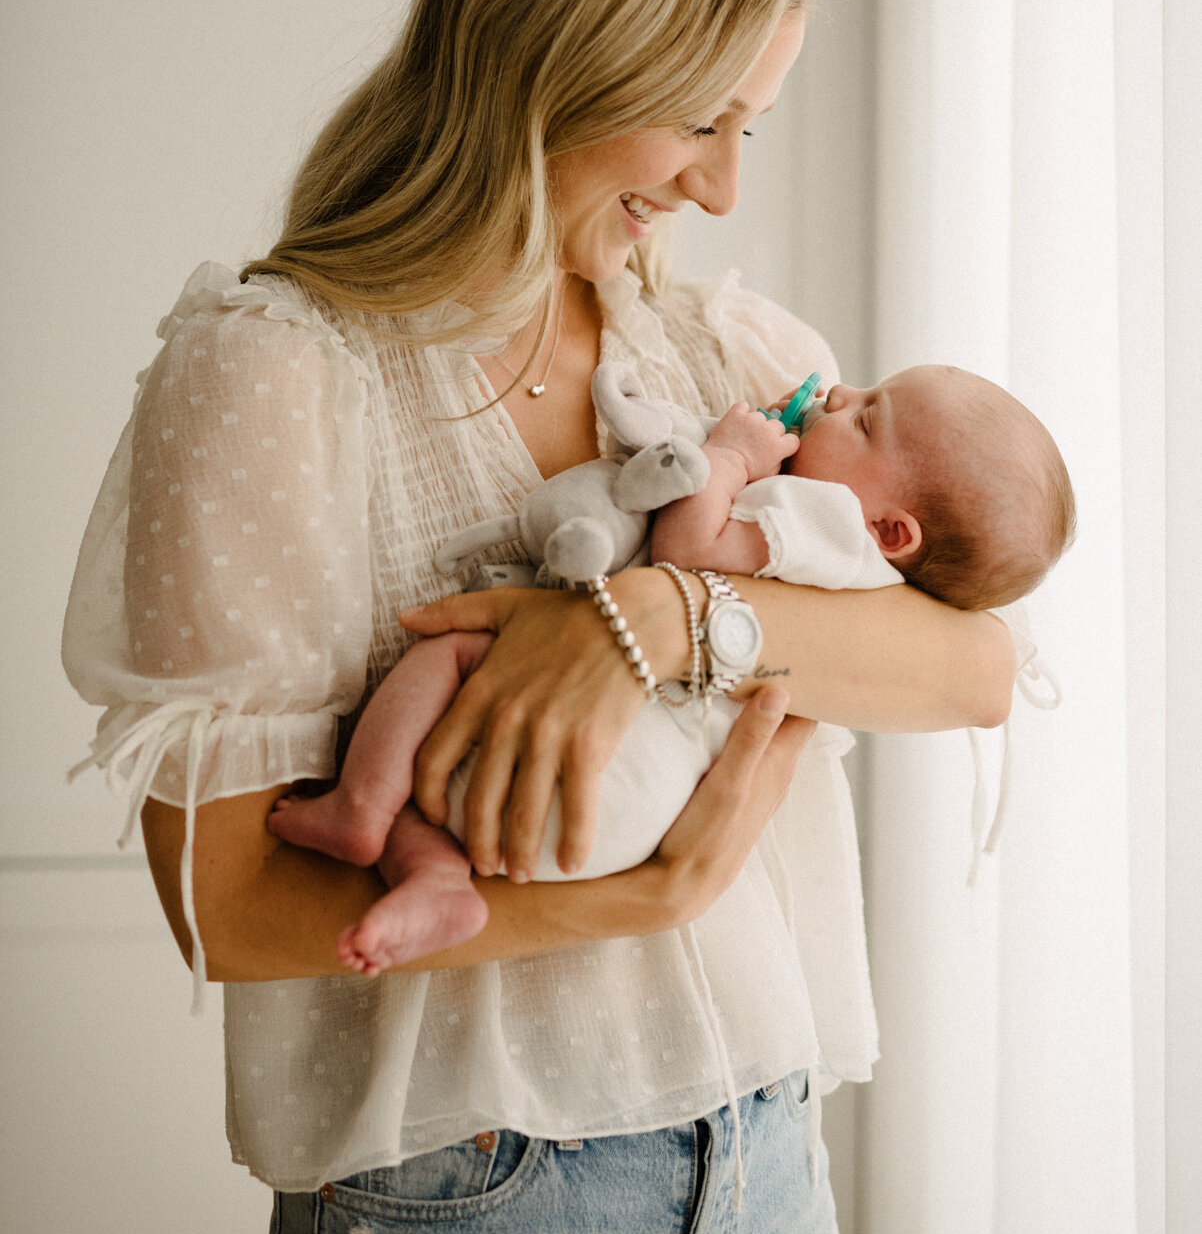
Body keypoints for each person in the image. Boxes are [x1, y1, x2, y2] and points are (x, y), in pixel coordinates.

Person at [63, 0, 1023, 1234]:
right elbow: (230, 906)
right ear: (551, 57)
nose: (720, 188)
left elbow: (977, 668)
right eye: (699, 118)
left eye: (749, 129)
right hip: (471, 1216)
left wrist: (648, 613)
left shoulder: (737, 358)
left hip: (768, 1170)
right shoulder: (275, 374)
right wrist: (639, 899)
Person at [267, 365, 1073, 979]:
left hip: (595, 768)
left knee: (450, 652)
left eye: (867, 416)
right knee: (452, 809)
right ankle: (436, 880)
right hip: (632, 821)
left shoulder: (824, 520)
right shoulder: (881, 581)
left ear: (893, 530)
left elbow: (689, 552)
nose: (837, 393)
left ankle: (361, 807)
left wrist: (726, 457)